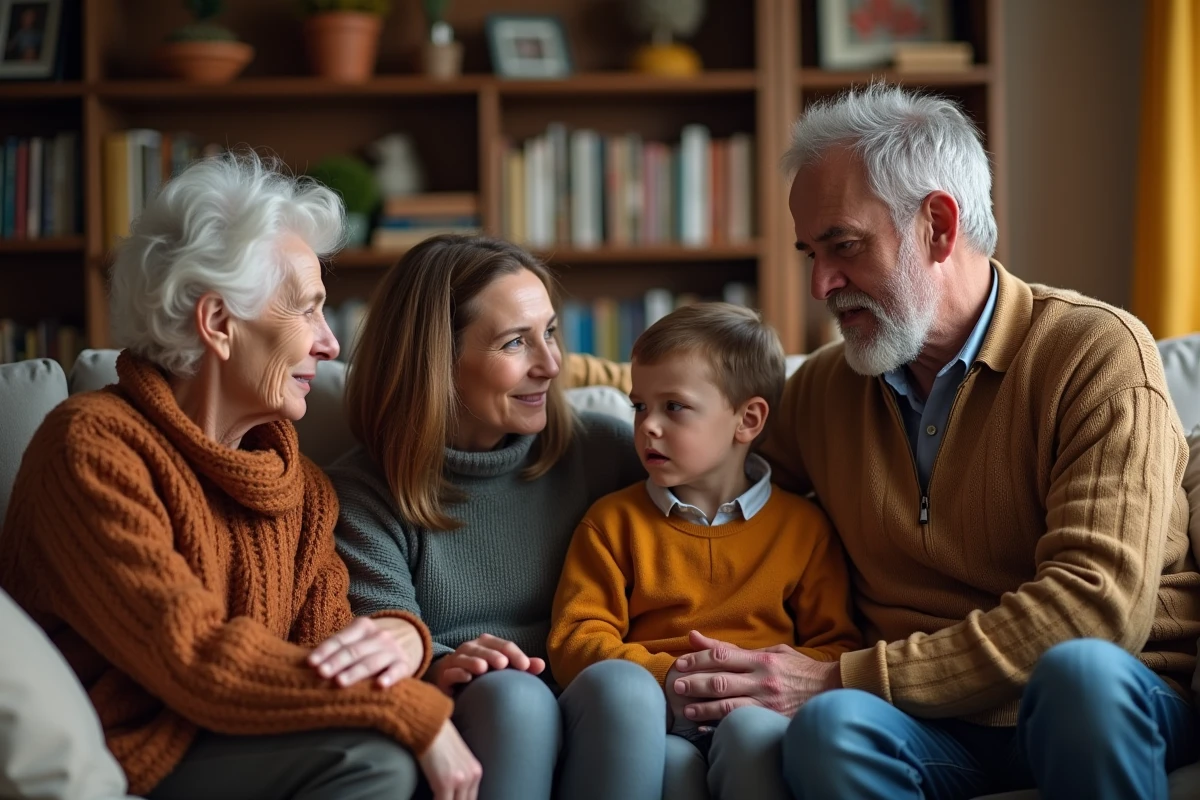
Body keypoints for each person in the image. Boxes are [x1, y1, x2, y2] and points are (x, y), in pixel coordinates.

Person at [664, 83, 1200, 799]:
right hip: (935, 722)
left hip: (1111, 695)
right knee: (832, 730)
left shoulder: (1095, 352)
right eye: (810, 254)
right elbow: (705, 399)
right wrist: (533, 366)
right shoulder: (831, 386)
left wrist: (835, 676)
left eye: (843, 246)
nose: (821, 283)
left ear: (938, 227)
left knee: (1078, 676)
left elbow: (1094, 611)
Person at [0, 152, 480, 800]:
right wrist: (417, 717)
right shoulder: (91, 446)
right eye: (308, 311)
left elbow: (330, 656)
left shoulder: (303, 489)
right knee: (377, 757)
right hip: (135, 754)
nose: (331, 343)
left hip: (244, 742)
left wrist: (403, 642)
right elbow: (191, 654)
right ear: (220, 324)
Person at [327, 233, 672, 800]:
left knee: (626, 686)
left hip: (596, 700)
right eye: (516, 343)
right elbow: (385, 641)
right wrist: (444, 664)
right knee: (514, 695)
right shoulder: (361, 495)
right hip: (478, 712)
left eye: (551, 333)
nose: (553, 364)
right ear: (436, 359)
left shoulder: (610, 453)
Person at [547, 302, 861, 798]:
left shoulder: (804, 529)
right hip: (657, 715)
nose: (648, 425)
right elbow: (575, 638)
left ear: (748, 420)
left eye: (673, 406)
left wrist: (758, 681)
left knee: (752, 735)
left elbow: (837, 647)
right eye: (639, 406)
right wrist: (667, 678)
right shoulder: (612, 522)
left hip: (756, 713)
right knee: (670, 766)